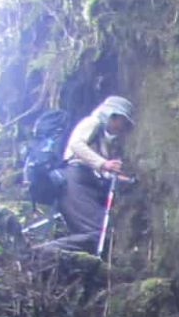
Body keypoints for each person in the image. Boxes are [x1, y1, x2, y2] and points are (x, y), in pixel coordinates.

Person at [53, 95, 133, 251]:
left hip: (85, 181)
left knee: (99, 233)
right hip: (74, 179)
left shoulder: (102, 138)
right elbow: (76, 145)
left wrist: (115, 176)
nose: (121, 128)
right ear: (113, 115)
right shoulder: (92, 122)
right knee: (97, 232)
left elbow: (96, 167)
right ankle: (41, 252)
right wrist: (104, 164)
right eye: (122, 122)